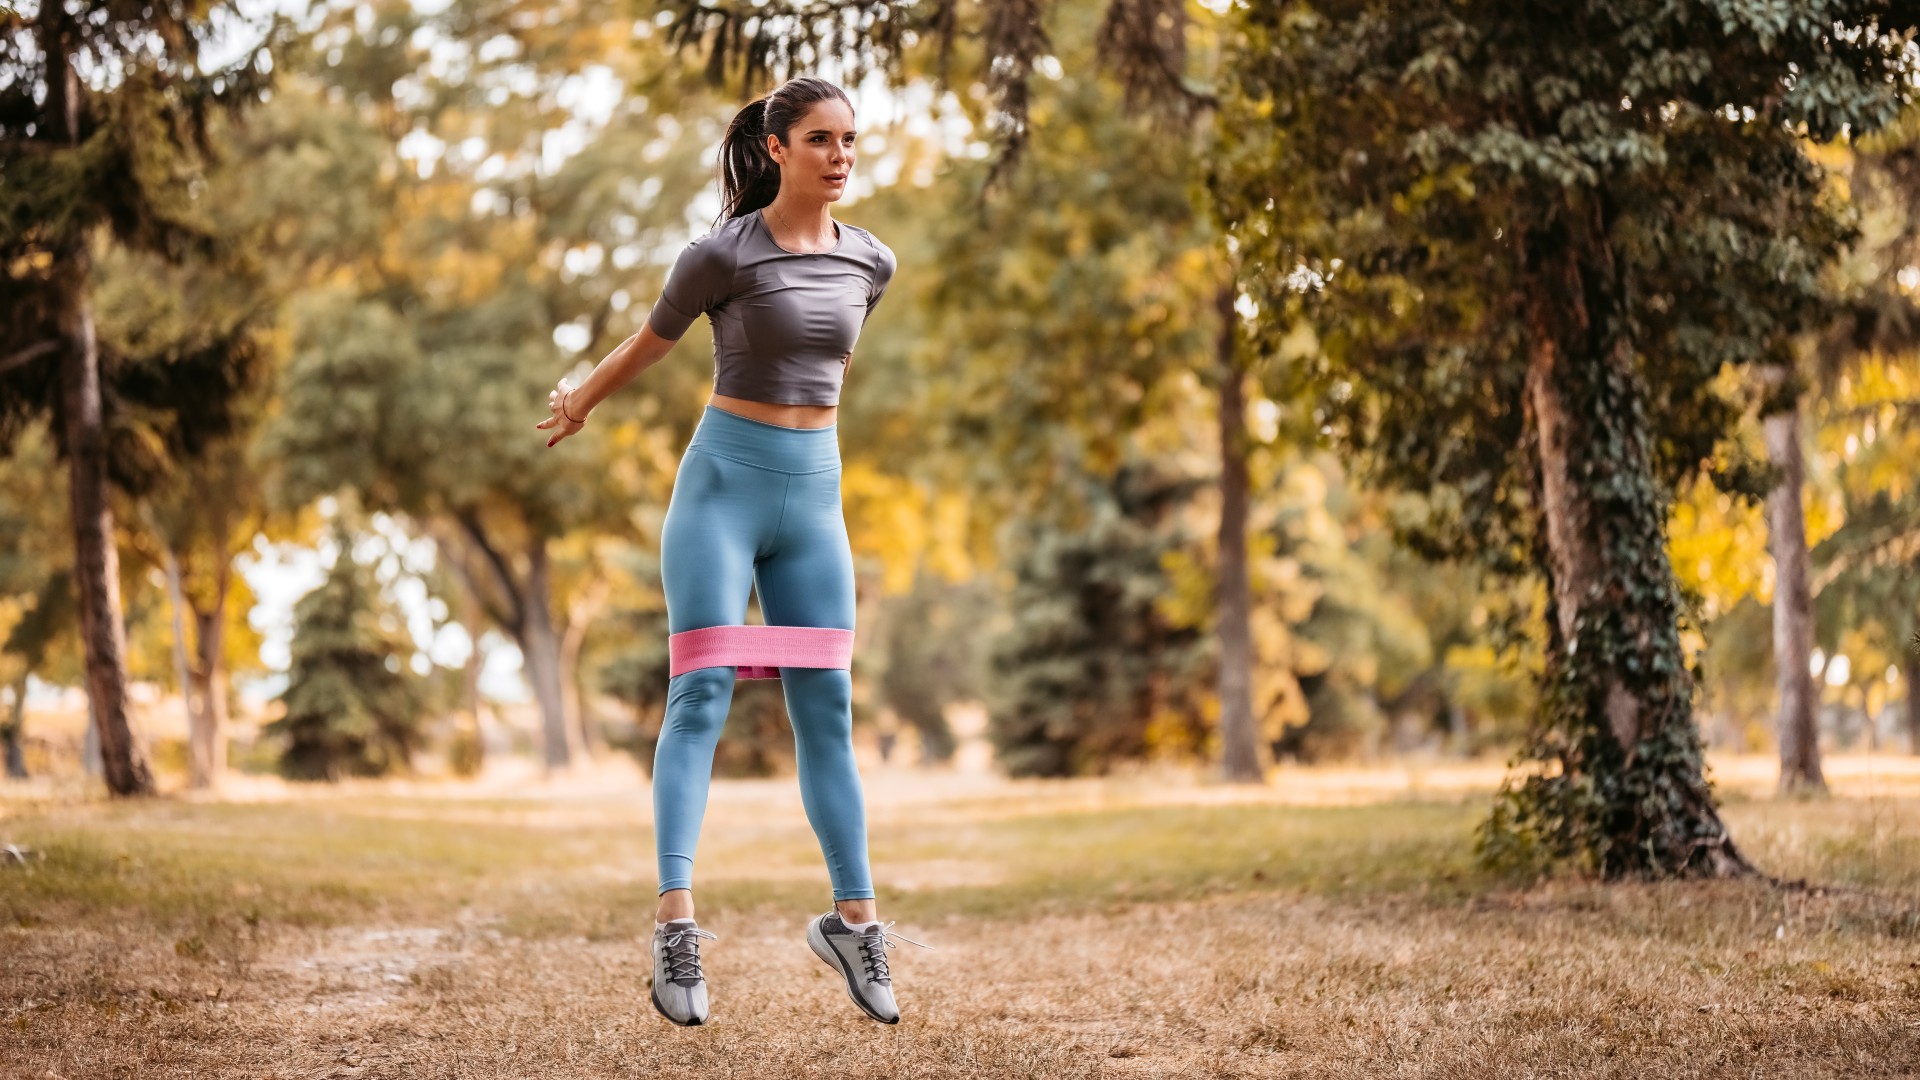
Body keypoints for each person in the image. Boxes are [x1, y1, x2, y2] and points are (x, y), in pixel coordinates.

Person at [535, 76, 928, 1027]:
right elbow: (651, 340)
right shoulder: (720, 253)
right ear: (776, 149)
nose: (842, 157)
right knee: (701, 691)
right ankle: (675, 922)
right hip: (722, 490)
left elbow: (823, 369)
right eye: (823, 140)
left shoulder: (871, 261)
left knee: (826, 707)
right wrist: (581, 400)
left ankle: (854, 922)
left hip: (816, 500)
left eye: (850, 142)